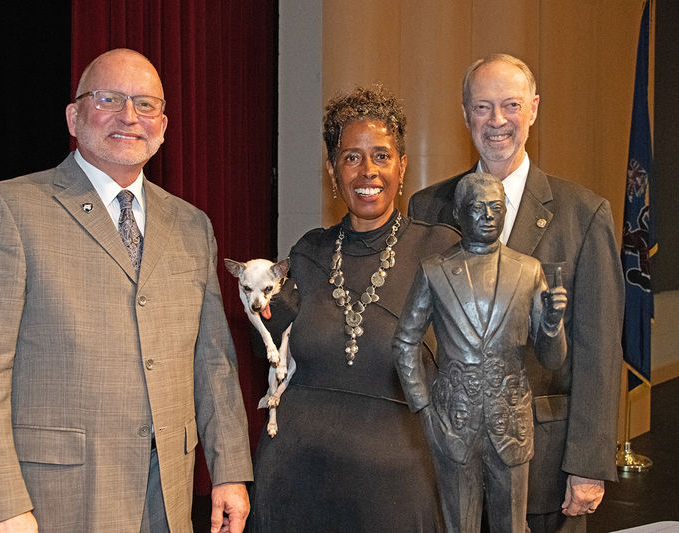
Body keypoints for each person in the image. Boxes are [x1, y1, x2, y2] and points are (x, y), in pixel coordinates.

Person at [0, 48, 252, 533]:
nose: (129, 116)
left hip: (165, 495)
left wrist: (228, 471)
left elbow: (212, 361)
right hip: (53, 501)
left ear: (163, 126)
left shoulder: (192, 225)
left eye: (145, 104)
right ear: (74, 116)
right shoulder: (9, 210)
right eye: (109, 99)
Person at [409, 53, 624, 533]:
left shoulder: (583, 215)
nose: (497, 121)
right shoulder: (428, 208)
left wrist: (588, 464)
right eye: (483, 107)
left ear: (533, 109)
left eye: (510, 104)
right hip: (451, 456)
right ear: (465, 114)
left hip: (544, 464)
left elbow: (599, 350)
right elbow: (419, 337)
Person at [247, 84, 460, 532]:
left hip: (398, 493)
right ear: (332, 171)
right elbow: (268, 353)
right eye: (351, 157)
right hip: (295, 483)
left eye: (381, 156)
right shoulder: (307, 253)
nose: (368, 171)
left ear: (403, 167)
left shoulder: (441, 252)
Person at [394, 172, 568, 532]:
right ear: (458, 214)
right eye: (478, 208)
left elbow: (552, 360)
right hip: (453, 422)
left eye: (497, 208)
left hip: (511, 423)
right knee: (459, 526)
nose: (489, 215)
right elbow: (405, 341)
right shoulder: (435, 270)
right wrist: (424, 409)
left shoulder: (529, 271)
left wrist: (552, 325)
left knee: (512, 526)